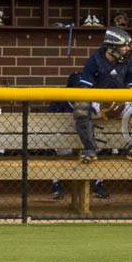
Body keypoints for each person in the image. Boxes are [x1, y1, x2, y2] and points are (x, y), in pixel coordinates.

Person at [75, 27, 132, 199]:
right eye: (123, 46)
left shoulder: (131, 63)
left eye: (127, 46)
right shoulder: (94, 60)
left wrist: (120, 103)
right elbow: (84, 91)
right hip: (98, 104)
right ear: (111, 47)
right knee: (80, 107)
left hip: (121, 103)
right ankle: (90, 150)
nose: (127, 49)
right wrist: (102, 104)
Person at [47, 72, 80, 201]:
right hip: (61, 141)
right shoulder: (60, 100)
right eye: (77, 87)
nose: (80, 91)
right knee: (55, 144)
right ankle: (56, 183)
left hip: (81, 140)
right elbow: (48, 124)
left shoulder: (89, 100)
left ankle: (98, 183)